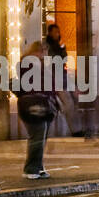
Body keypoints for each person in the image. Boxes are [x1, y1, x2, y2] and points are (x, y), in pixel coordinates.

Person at [17, 41, 57, 179]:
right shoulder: (29, 64)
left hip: (44, 103)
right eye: (44, 51)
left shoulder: (40, 64)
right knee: (37, 136)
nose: (45, 54)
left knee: (41, 137)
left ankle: (38, 167)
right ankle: (31, 169)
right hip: (33, 103)